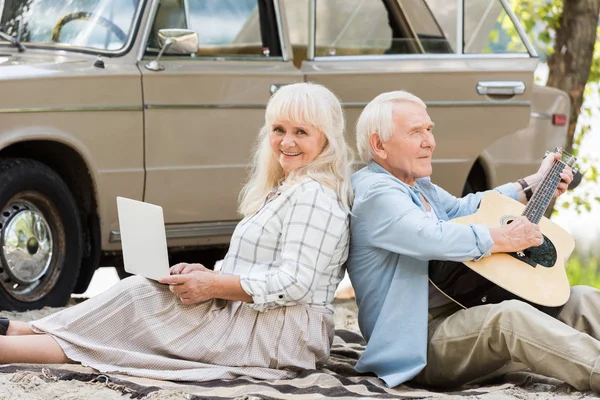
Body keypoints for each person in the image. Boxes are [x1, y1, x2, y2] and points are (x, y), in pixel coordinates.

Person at [0, 82, 354, 382]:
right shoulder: (289, 187)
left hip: (283, 334)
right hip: (260, 316)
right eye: (279, 129)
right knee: (147, 291)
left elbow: (295, 283)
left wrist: (214, 286)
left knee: (141, 319)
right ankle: (20, 332)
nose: (286, 142)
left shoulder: (314, 196)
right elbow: (263, 269)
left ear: (326, 139)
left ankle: (11, 346)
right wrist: (207, 274)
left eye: (301, 132)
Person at [345, 90, 600, 393]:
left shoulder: (417, 185)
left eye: (429, 130)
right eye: (416, 132)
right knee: (509, 319)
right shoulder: (375, 192)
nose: (430, 141)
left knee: (580, 298)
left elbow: (466, 209)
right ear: (379, 145)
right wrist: (502, 237)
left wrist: (533, 185)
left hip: (464, 311)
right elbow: (429, 235)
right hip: (420, 345)